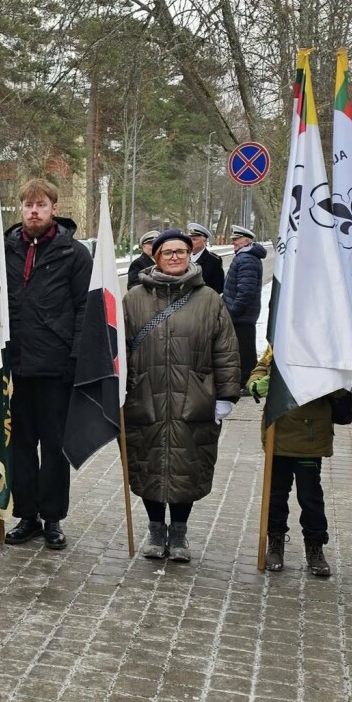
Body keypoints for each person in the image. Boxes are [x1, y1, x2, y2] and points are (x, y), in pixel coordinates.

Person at [123, 229, 240, 561]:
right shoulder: (134, 299)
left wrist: (226, 396)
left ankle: (179, 534)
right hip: (147, 397)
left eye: (181, 251)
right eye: (167, 252)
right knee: (150, 464)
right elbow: (117, 348)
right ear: (155, 257)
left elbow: (226, 350)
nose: (175, 257)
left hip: (195, 400)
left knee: (186, 466)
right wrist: (118, 390)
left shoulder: (209, 300)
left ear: (190, 254)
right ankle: (156, 529)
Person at [3, 178, 92, 550]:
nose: (34, 211)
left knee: (54, 447)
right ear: (20, 209)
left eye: (41, 204)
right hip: (14, 369)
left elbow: (85, 309)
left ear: (54, 208)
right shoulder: (3, 250)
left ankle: (52, 517)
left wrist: (74, 359)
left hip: (55, 369)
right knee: (19, 446)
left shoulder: (74, 254)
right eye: (28, 205)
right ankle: (27, 515)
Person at [248, 346, 343, 577]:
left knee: (310, 497)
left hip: (310, 438)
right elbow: (262, 366)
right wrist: (257, 383)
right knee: (275, 494)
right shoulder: (281, 339)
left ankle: (315, 546)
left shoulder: (325, 344)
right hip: (278, 433)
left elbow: (342, 385)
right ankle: (275, 542)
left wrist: (327, 382)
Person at [222, 225, 265, 379]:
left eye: (237, 239)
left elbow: (246, 290)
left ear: (246, 241)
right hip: (242, 313)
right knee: (242, 348)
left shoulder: (247, 259)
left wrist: (234, 310)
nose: (234, 242)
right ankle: (243, 378)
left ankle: (247, 379)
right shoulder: (244, 256)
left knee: (245, 350)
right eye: (233, 239)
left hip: (242, 314)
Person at [187, 222, 225, 293]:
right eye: (189, 239)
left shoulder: (214, 260)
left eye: (194, 239)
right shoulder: (184, 257)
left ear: (204, 241)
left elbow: (218, 287)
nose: (190, 242)